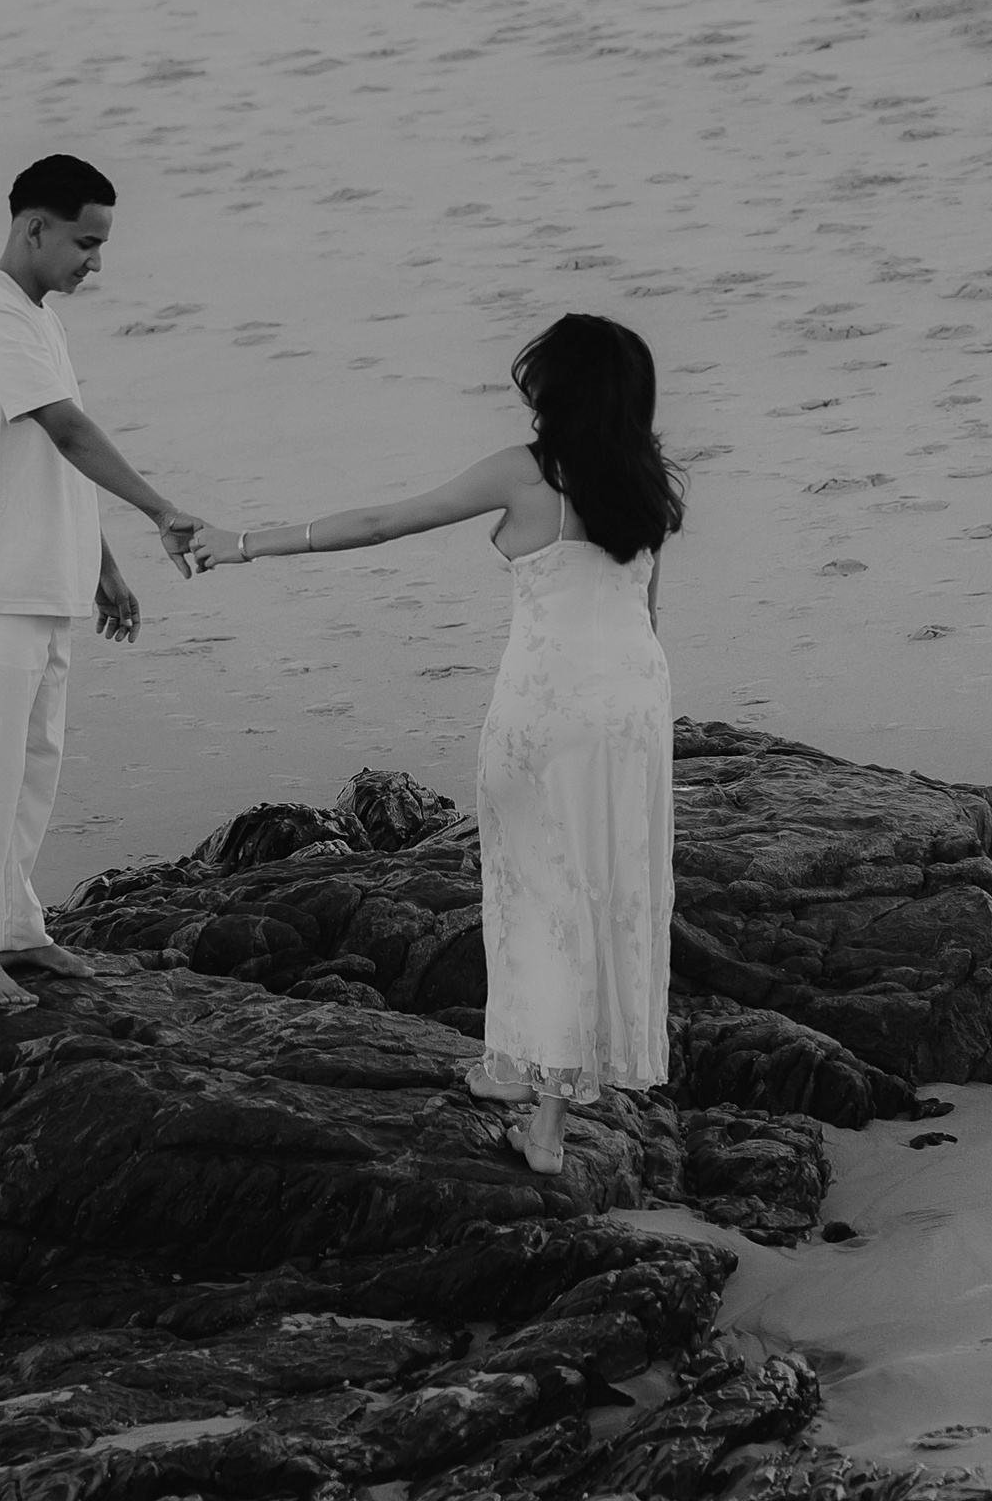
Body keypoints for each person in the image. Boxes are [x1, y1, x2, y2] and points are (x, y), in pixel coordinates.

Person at [186, 312, 683, 1174]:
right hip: (634, 702)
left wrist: (244, 544)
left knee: (535, 883)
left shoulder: (531, 471)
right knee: (602, 886)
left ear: (558, 389)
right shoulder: (648, 485)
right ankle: (524, 1078)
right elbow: (647, 610)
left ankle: (544, 1125)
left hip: (549, 704)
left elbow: (387, 521)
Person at [0, 154, 198, 1010]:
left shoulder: (38, 317)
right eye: (86, 242)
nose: (96, 263)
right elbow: (69, 429)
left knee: (33, 766)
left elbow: (53, 459)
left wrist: (100, 563)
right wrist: (160, 510)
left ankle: (12, 925)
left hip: (43, 580)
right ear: (34, 228)